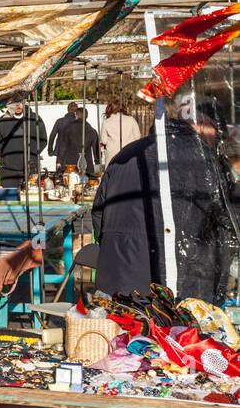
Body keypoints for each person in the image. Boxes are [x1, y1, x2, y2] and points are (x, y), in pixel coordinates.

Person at [92, 99, 238, 304]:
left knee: (123, 335)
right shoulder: (202, 159)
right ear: (203, 124)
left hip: (116, 274)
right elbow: (228, 216)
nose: (218, 138)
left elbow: (98, 215)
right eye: (216, 129)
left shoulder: (126, 153)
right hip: (167, 282)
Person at [0, 97, 46, 187]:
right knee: (10, 199)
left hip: (30, 168)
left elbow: (43, 139)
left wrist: (33, 153)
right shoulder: (2, 121)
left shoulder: (34, 119)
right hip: (8, 170)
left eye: (20, 103)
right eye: (14, 103)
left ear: (24, 102)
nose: (18, 106)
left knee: (31, 199)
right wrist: (6, 155)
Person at [56, 106, 99, 175]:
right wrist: (97, 161)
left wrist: (59, 161)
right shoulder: (92, 131)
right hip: (86, 165)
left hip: (70, 165)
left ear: (76, 116)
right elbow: (96, 149)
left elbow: (63, 145)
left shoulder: (68, 128)